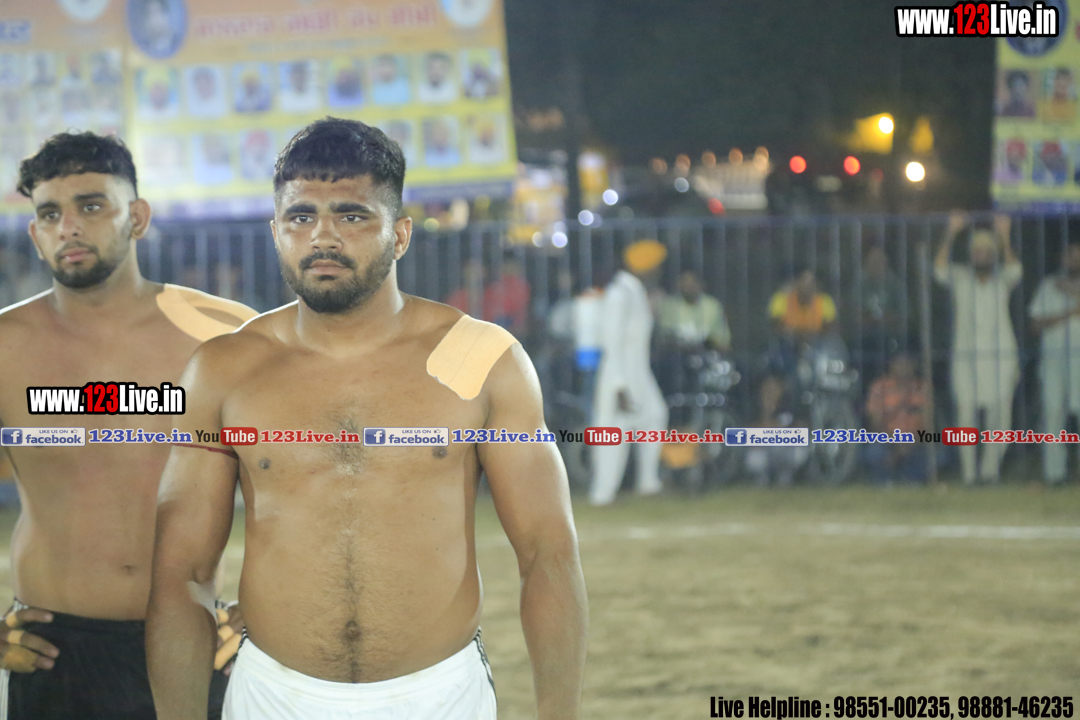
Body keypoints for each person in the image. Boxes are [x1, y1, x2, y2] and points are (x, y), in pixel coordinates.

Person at [145, 118, 587, 720]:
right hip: (274, 696)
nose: (322, 237)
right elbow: (183, 574)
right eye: (301, 217)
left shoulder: (482, 358)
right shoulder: (223, 370)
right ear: (276, 231)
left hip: (439, 697)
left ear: (400, 234)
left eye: (352, 216)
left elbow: (547, 554)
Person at [0, 131, 257, 719]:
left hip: (192, 636)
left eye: (91, 206)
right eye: (49, 214)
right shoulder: (5, 347)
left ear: (137, 217)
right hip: (52, 649)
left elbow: (308, 483)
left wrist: (268, 611)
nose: (68, 227)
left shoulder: (223, 334)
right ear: (35, 234)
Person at [935, 212, 1021, 484]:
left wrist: (1004, 236)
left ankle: (990, 472)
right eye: (977, 251)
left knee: (1000, 414)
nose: (981, 255)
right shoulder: (961, 278)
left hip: (1000, 356)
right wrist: (951, 232)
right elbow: (939, 270)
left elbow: (1015, 270)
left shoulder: (1002, 279)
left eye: (986, 251)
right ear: (971, 255)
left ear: (993, 254)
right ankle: (969, 475)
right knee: (965, 414)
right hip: (966, 357)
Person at [589, 239, 669, 506]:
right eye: (656, 266)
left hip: (639, 372)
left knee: (655, 415)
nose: (659, 271)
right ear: (644, 268)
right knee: (613, 435)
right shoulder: (619, 294)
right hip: (619, 374)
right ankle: (602, 496)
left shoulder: (635, 291)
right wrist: (618, 385)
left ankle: (648, 483)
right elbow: (610, 342)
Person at [1029, 238, 1080, 485]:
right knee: (1053, 413)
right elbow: (1035, 324)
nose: (1073, 260)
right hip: (1053, 359)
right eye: (1069, 255)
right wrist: (1069, 313)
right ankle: (1054, 473)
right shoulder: (1049, 285)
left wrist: (1072, 292)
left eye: (1077, 256)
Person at [863, 353, 929, 484]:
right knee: (874, 452)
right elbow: (875, 424)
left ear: (914, 366)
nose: (903, 368)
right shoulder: (879, 387)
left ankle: (912, 480)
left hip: (916, 441)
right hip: (888, 440)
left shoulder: (923, 387)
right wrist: (897, 444)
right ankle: (885, 481)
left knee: (937, 454)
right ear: (891, 365)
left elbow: (928, 423)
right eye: (899, 363)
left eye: (907, 363)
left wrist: (909, 443)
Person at [744, 375, 808, 487]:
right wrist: (767, 413)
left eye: (775, 388)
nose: (771, 391)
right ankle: (762, 478)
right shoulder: (755, 406)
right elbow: (749, 431)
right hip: (764, 449)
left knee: (800, 451)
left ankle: (785, 476)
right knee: (754, 457)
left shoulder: (789, 405)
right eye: (767, 388)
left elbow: (802, 428)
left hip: (785, 449)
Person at [857, 245, 905, 383]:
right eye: (872, 261)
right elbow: (855, 315)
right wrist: (879, 319)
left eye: (879, 261)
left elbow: (902, 316)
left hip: (891, 339)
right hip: (865, 340)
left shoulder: (895, 284)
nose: (876, 264)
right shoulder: (860, 283)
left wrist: (878, 319)